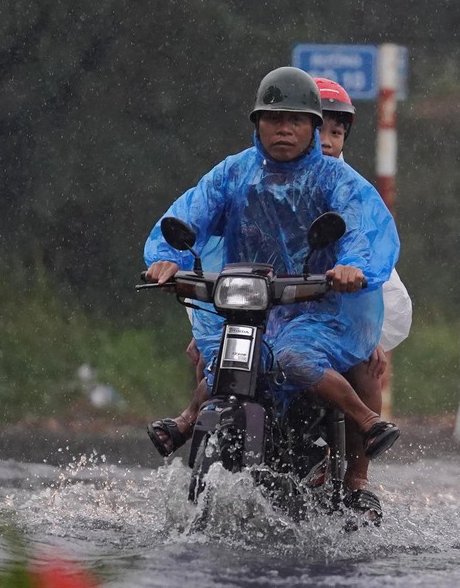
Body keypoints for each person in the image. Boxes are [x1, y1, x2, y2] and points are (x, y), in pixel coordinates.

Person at [142, 66, 401, 486]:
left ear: (313, 128)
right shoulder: (232, 173)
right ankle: (191, 418)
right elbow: (190, 213)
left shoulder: (337, 180)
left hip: (319, 310)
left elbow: (362, 230)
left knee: (298, 358)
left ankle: (363, 439)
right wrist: (167, 258)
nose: (283, 130)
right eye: (273, 119)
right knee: (216, 354)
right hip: (247, 305)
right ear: (257, 125)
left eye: (294, 121)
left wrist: (352, 268)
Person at [313, 76, 413, 511]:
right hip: (265, 312)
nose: (327, 141)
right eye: (318, 129)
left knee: (368, 364)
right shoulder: (250, 180)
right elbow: (224, 247)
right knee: (213, 357)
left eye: (337, 132)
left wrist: (371, 330)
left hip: (333, 316)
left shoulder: (350, 192)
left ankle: (356, 479)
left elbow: (372, 259)